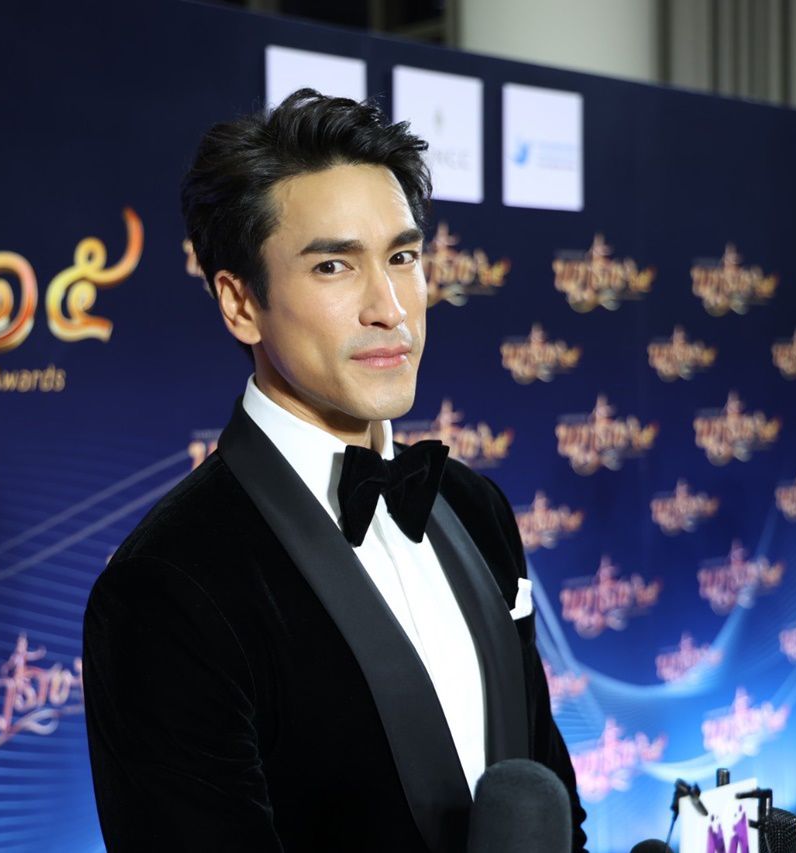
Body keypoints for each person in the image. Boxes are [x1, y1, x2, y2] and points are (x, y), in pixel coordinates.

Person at [82, 88, 588, 853]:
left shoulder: (474, 506)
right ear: (240, 303)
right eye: (332, 265)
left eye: (403, 257)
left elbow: (550, 807)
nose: (390, 307)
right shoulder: (169, 584)